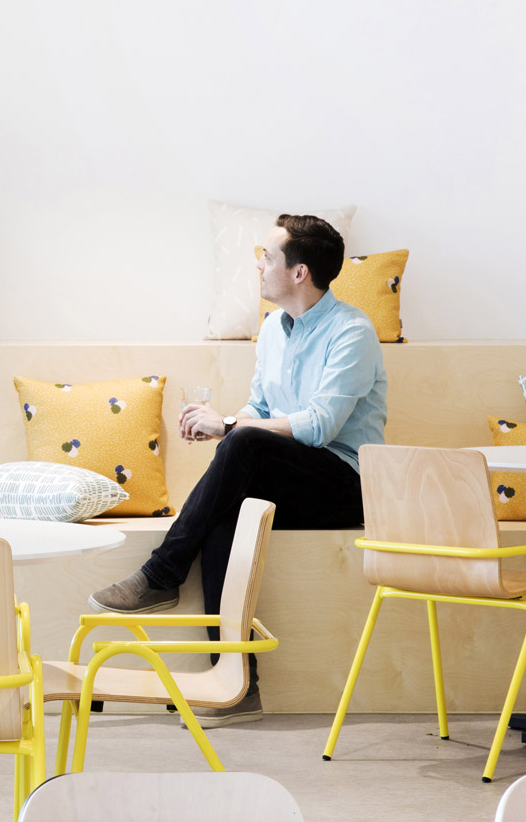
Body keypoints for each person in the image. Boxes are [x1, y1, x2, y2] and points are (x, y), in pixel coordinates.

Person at [88, 214, 387, 724]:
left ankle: (162, 573)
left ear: (299, 272)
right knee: (223, 515)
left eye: (268, 257)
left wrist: (230, 427)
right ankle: (237, 686)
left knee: (243, 444)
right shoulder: (272, 330)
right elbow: (259, 411)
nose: (259, 266)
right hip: (290, 476)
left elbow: (318, 427)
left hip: (346, 483)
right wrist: (221, 425)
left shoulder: (352, 333)